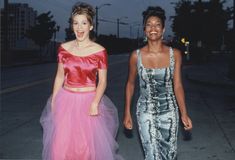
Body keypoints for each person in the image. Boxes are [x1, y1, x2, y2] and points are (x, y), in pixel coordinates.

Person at [40, 2, 123, 160]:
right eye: (75, 23)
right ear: (72, 26)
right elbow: (59, 76)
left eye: (84, 23)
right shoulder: (63, 48)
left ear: (91, 26)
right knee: (60, 147)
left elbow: (103, 81)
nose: (79, 28)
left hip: (88, 101)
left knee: (85, 149)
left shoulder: (99, 51)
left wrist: (95, 102)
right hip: (66, 100)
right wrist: (54, 99)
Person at [123, 6, 192, 160]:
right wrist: (127, 112)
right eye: (149, 24)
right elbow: (130, 84)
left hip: (169, 112)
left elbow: (178, 85)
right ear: (144, 29)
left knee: (170, 154)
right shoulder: (136, 56)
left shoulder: (175, 54)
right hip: (145, 112)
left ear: (163, 29)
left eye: (157, 24)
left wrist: (184, 113)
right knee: (151, 154)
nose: (153, 28)